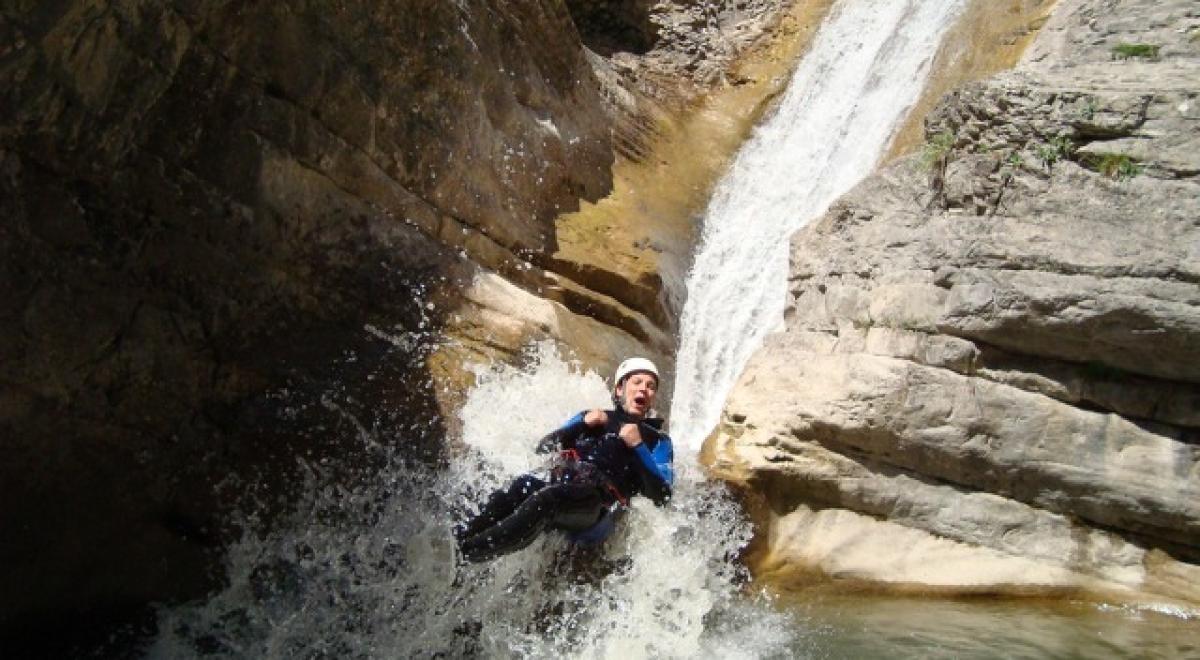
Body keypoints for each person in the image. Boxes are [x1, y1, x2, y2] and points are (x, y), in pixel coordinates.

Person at [454, 357, 674, 563]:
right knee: (524, 485)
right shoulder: (591, 416)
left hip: (598, 505)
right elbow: (544, 448)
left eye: (651, 386)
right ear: (619, 388)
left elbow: (662, 495)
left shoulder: (657, 440)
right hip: (563, 484)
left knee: (549, 500)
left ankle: (470, 554)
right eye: (637, 382)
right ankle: (460, 545)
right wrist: (582, 425)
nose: (644, 388)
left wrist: (638, 446)